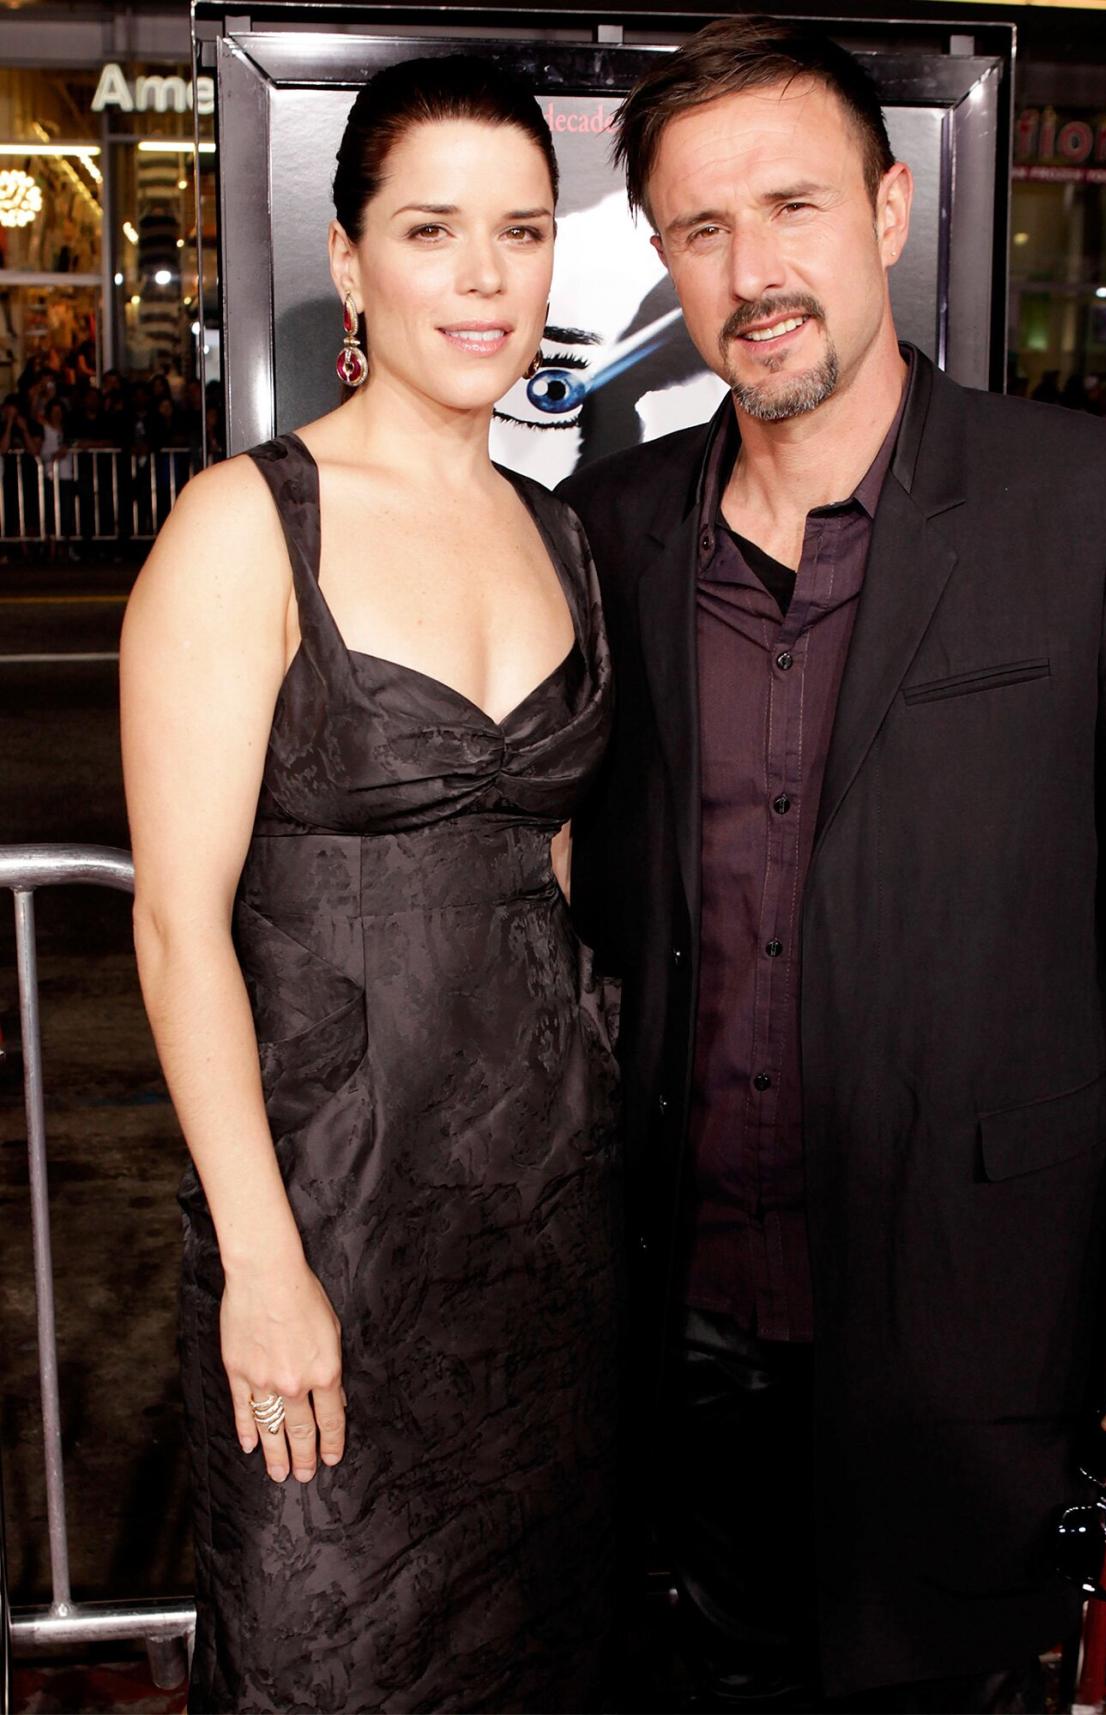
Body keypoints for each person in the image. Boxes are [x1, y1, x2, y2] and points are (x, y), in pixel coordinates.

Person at [560, 17, 1106, 1713]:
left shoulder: (1082, 499)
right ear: (660, 256)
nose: (751, 269)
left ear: (887, 206)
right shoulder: (618, 522)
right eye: (700, 229)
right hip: (680, 1294)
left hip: (976, 1293)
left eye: (790, 205)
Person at [121, 53, 621, 1714]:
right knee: (323, 1651)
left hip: (546, 1222)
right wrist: (262, 1260)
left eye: (522, 232)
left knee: (538, 1653)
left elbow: (542, 880)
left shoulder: (560, 538)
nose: (483, 277)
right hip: (329, 1217)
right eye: (430, 230)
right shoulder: (242, 528)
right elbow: (176, 926)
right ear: (348, 259)